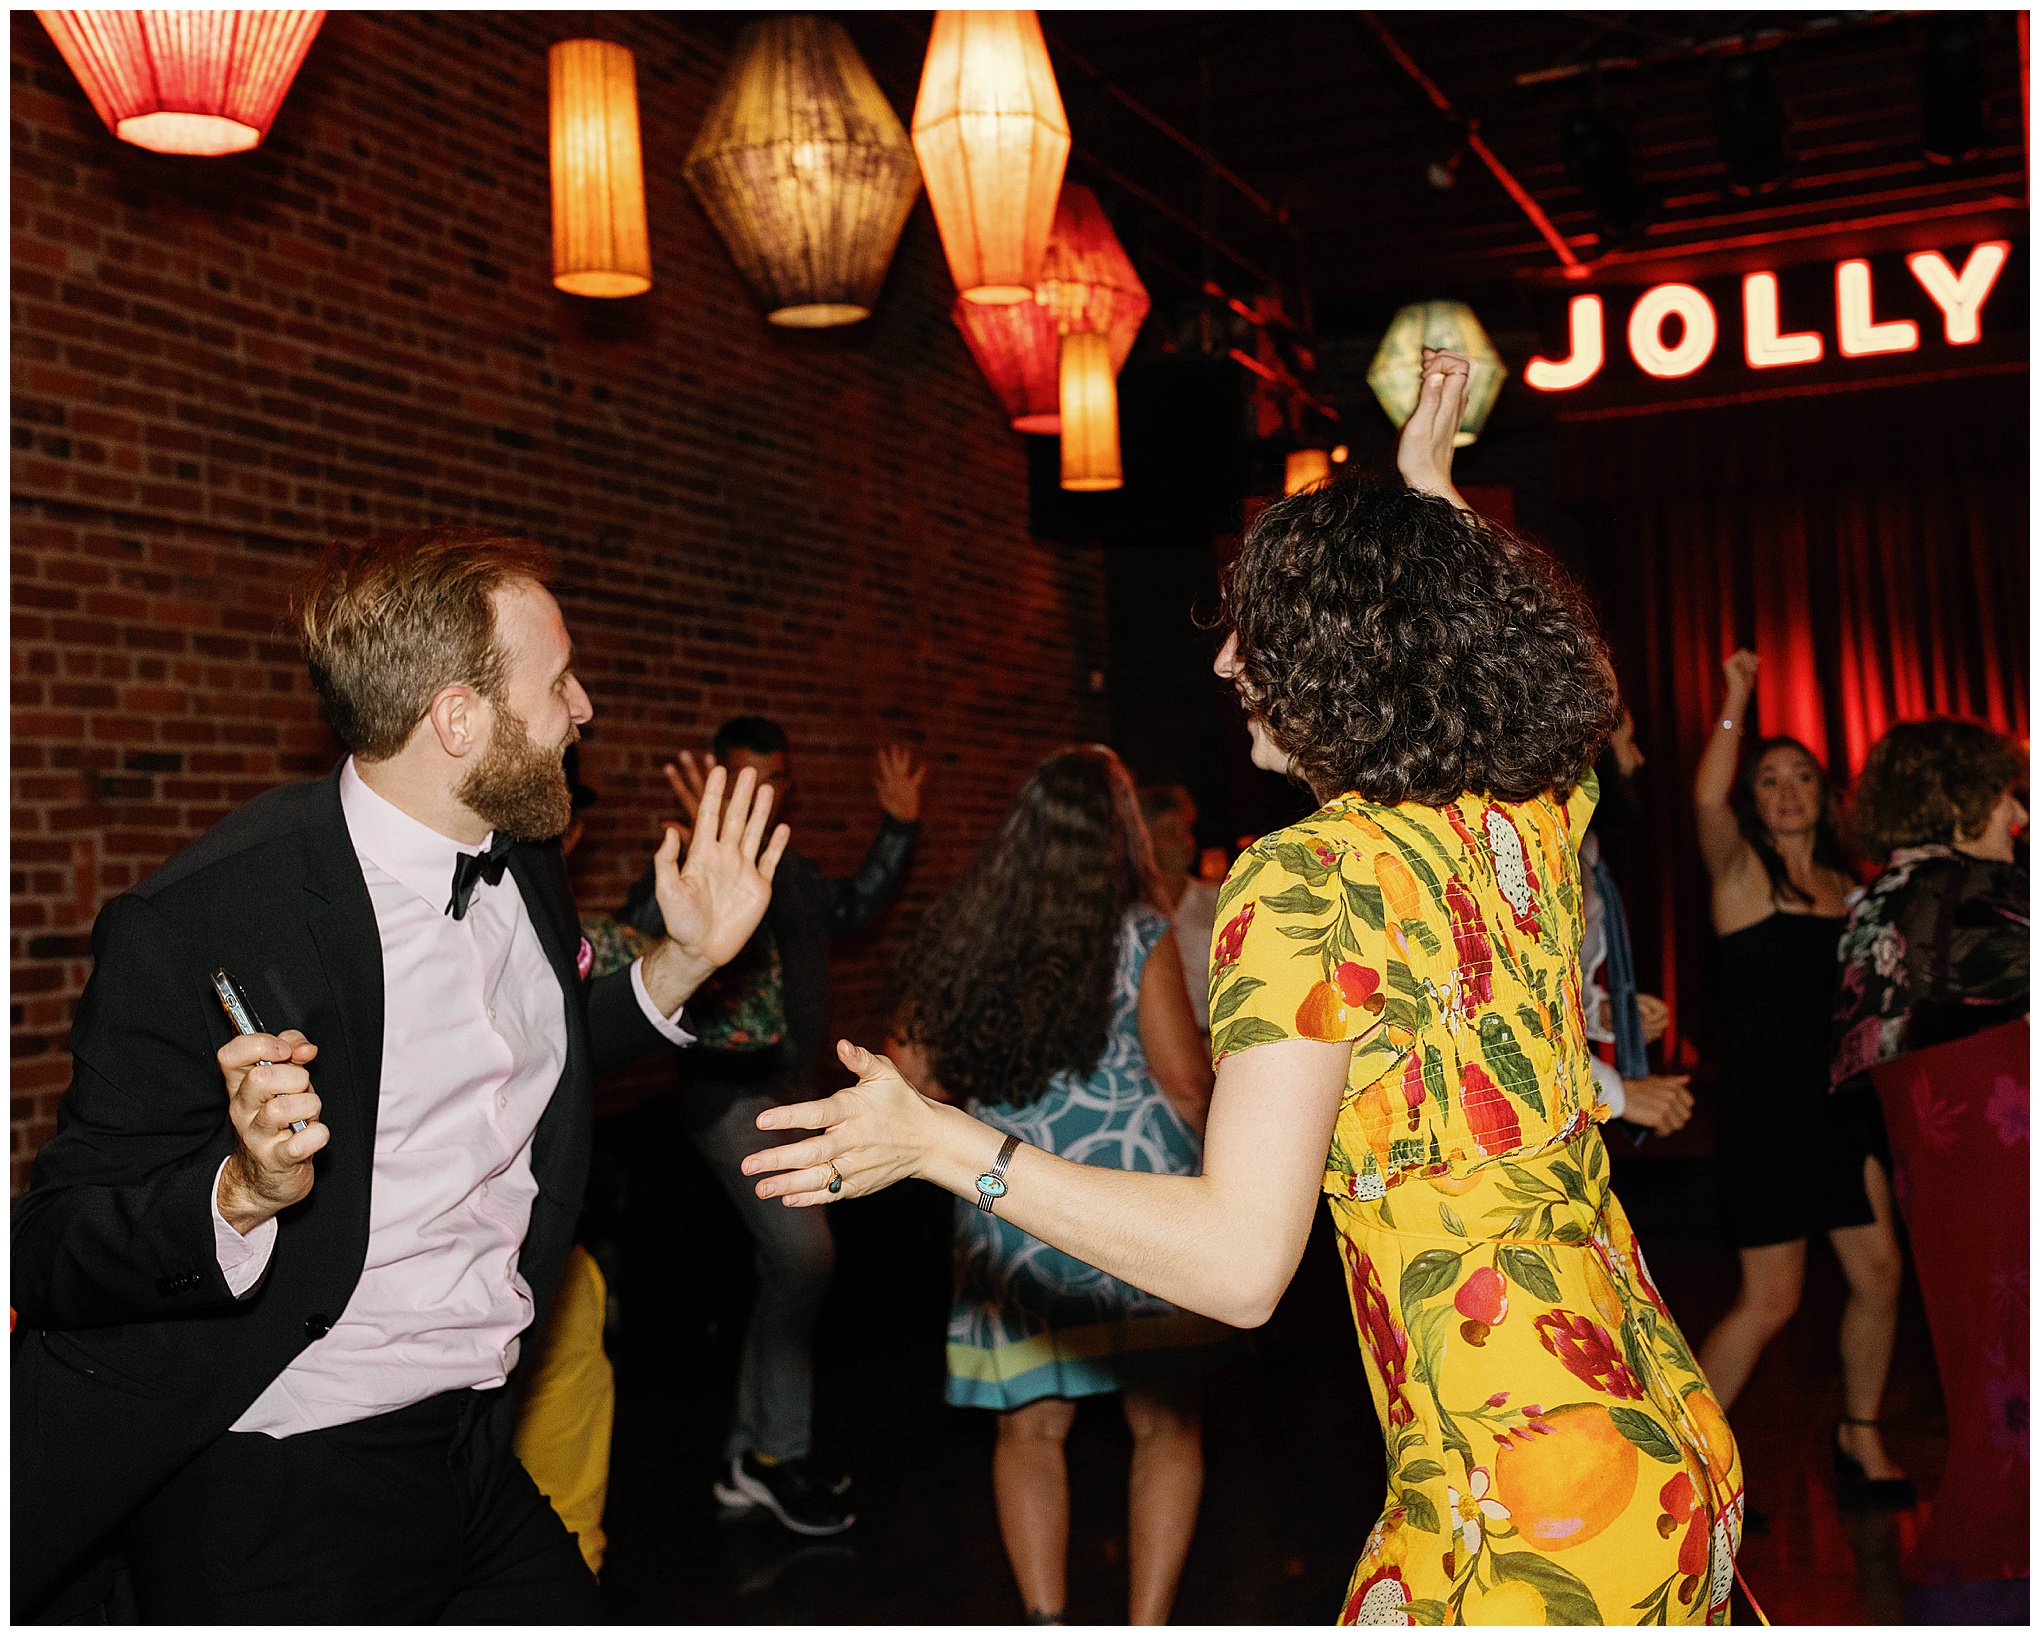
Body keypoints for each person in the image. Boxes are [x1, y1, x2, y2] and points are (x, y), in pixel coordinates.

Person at [744, 353, 1746, 1626]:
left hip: (1519, 1489)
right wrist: (1430, 506)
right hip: (1655, 1430)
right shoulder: (1528, 822)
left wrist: (946, 1145)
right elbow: (1557, 672)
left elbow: (1236, 1262)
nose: (1225, 666)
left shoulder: (1309, 879)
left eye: (1256, 635)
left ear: (1340, 659)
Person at [10, 527, 789, 1623]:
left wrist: (684, 964)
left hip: (471, 1440)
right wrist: (236, 1194)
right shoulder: (205, 920)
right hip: (283, 1472)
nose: (585, 708)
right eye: (558, 679)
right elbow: (50, 1246)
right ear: (457, 719)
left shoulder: (521, 850)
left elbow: (521, 1060)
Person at [889, 746, 1233, 1626]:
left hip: (1009, 1200)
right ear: (1121, 833)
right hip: (1134, 1208)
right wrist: (1240, 1185)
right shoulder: (1137, 932)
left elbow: (910, 1074)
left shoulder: (970, 928)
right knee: (1166, 1425)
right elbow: (1186, 1083)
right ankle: (1145, 1622)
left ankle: (1047, 1622)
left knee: (1030, 1429)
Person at [622, 719, 924, 1536]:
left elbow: (855, 906)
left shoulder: (787, 868)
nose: (764, 793)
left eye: (776, 779)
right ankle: (774, 1455)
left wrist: (898, 826)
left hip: (788, 1090)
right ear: (719, 780)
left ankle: (751, 1456)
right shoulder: (688, 861)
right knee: (804, 1255)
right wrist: (691, 853)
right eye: (746, 778)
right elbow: (632, 955)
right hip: (726, 1097)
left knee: (785, 1271)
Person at [1689, 653, 1910, 1507]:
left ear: (1825, 794)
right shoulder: (1743, 875)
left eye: (1802, 778)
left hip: (1841, 1112)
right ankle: (1689, 1469)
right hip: (1771, 1117)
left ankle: (1860, 1439)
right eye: (1771, 779)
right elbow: (1708, 800)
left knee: (1879, 1273)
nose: (1786, 792)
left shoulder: (1846, 888)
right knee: (1771, 1300)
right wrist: (1737, 700)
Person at [1832, 718, 2028, 1612]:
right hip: (2000, 1146)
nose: (2019, 814)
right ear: (1958, 796)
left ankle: (1977, 1569)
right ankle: (1983, 1577)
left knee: (1984, 1362)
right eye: (2005, 793)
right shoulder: (1971, 891)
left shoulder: (1881, 897)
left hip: (1943, 1158)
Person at [1580, 708, 1693, 1139]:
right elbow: (1508, 1007)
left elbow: (1559, 986)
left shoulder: (1587, 850)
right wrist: (1618, 1093)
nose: (1638, 759)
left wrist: (1603, 1013)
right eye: (1627, 739)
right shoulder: (1541, 852)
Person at [1139, 784, 1220, 1033]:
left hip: (1211, 1042)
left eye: (1186, 830)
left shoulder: (1217, 899)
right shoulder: (1133, 908)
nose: (1184, 842)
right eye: (1169, 832)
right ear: (1145, 839)